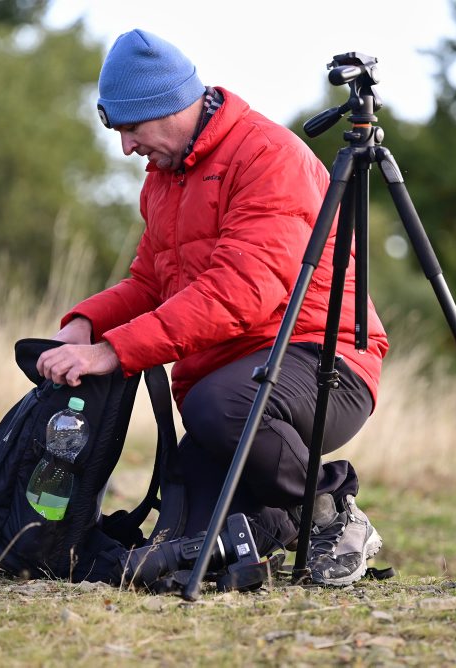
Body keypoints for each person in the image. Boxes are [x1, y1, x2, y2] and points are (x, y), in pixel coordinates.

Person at [36, 28, 389, 587]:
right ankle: (277, 527)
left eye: (130, 127)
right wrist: (84, 324)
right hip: (227, 386)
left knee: (219, 408)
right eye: (114, 127)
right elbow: (150, 282)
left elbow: (240, 292)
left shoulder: (268, 157)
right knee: (180, 544)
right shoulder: (164, 181)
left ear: (171, 106)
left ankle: (331, 513)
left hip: (324, 364)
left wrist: (115, 352)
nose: (125, 146)